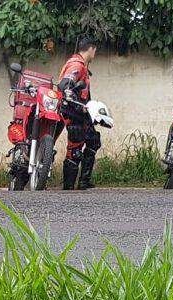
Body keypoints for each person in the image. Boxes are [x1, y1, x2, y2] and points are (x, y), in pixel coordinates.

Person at [57, 36, 101, 190]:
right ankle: (68, 189)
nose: (95, 54)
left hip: (82, 113)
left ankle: (84, 182)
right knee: (74, 150)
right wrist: (72, 97)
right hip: (74, 113)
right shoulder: (77, 65)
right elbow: (64, 84)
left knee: (94, 141)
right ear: (91, 49)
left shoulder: (81, 65)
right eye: (95, 50)